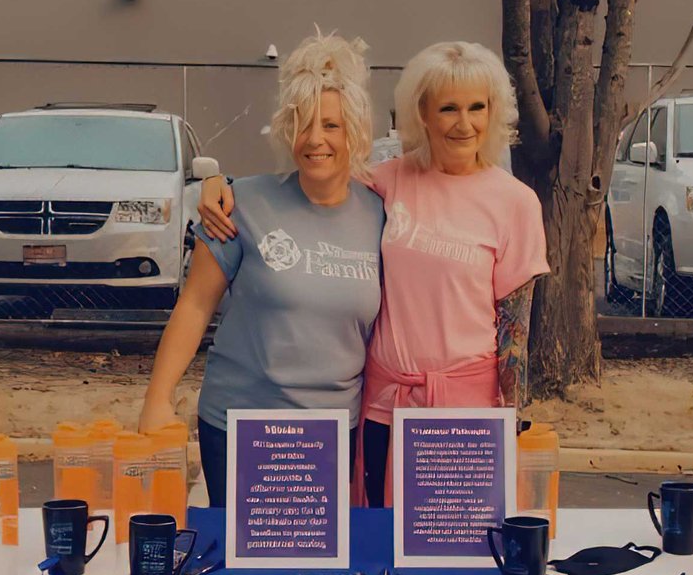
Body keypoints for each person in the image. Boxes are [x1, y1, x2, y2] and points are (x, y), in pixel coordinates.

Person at [199, 41, 549, 505]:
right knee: (376, 543)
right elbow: (317, 176)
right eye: (448, 108)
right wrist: (217, 185)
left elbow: (515, 329)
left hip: (465, 411)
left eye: (476, 108)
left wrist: (511, 420)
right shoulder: (387, 181)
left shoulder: (516, 203)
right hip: (384, 407)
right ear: (422, 112)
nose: (464, 124)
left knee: (450, 557)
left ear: (494, 111)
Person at [137, 31, 384, 506]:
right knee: (243, 570)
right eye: (302, 124)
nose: (314, 140)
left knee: (315, 568)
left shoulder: (380, 214)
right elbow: (194, 305)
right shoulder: (241, 202)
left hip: (331, 432)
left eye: (330, 126)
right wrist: (158, 399)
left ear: (353, 131)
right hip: (240, 424)